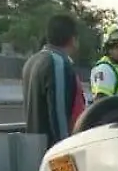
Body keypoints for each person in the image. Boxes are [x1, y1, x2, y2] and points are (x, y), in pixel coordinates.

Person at [21, 13, 87, 149]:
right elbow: (59, 115)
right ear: (73, 39)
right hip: (53, 151)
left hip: (34, 147)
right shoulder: (57, 63)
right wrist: (66, 149)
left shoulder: (32, 61)